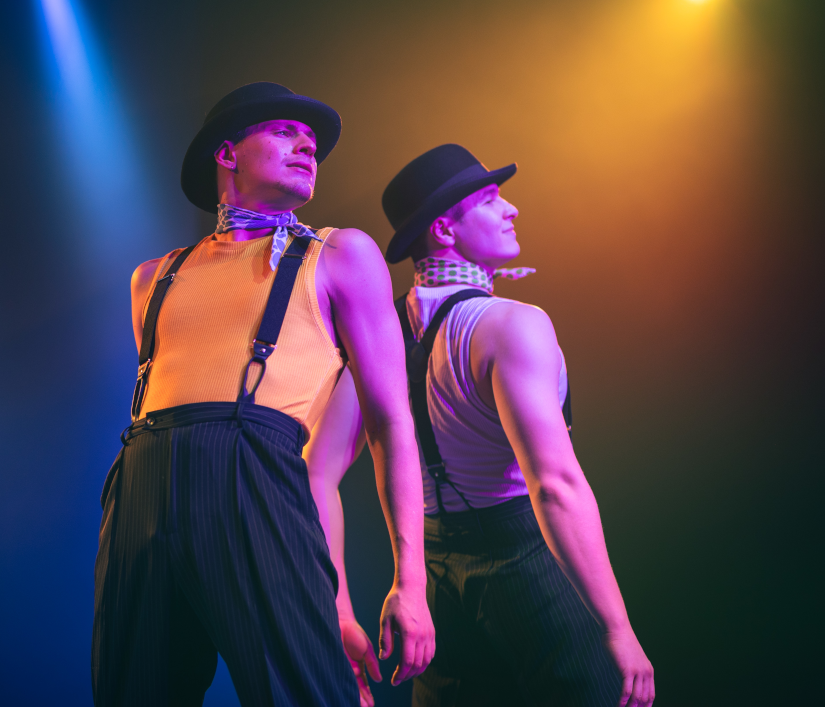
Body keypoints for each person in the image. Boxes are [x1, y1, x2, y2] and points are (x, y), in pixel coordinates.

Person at [91, 82, 433, 707]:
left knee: (304, 692)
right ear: (227, 154)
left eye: (313, 142)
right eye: (284, 132)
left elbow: (392, 424)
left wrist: (410, 583)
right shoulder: (153, 277)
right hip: (140, 482)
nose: (307, 146)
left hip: (254, 477)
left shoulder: (339, 254)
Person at [309, 144, 655, 706]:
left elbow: (315, 477)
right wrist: (617, 627)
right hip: (526, 560)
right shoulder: (510, 326)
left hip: (435, 580)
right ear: (444, 230)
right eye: (491, 200)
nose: (512, 209)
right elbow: (555, 486)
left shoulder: (378, 338)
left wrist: (339, 612)